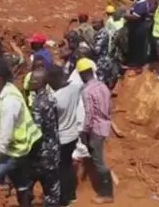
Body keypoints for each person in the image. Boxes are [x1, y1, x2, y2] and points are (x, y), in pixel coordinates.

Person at [0, 58, 43, 207]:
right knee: (22, 184)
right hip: (20, 148)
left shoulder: (9, 102)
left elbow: (4, 140)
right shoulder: (8, 90)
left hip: (15, 151)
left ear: (3, 79)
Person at [77, 58, 114, 204]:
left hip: (95, 129)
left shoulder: (87, 91)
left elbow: (89, 114)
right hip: (105, 126)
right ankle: (106, 190)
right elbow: (110, 106)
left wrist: (83, 131)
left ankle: (107, 194)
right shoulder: (103, 86)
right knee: (98, 159)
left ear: (81, 74)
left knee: (99, 162)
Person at [50, 65, 82, 207]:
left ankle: (64, 199)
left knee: (61, 169)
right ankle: (71, 195)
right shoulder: (74, 88)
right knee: (68, 166)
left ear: (55, 78)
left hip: (61, 137)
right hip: (73, 134)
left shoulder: (56, 98)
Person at [28, 68, 61, 207]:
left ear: (40, 82)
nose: (30, 82)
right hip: (54, 148)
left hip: (42, 153)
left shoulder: (38, 103)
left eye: (33, 80)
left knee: (29, 183)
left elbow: (36, 131)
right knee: (53, 187)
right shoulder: (51, 96)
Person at [124, 0, 150, 69]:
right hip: (136, 29)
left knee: (138, 47)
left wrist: (126, 14)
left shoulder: (142, 4)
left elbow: (133, 17)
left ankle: (137, 64)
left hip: (139, 30)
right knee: (135, 45)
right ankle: (135, 62)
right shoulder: (139, 3)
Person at [93, 19, 119, 89]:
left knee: (100, 81)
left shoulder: (102, 33)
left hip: (102, 61)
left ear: (100, 24)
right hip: (106, 59)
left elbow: (97, 50)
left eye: (94, 23)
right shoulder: (104, 31)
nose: (93, 25)